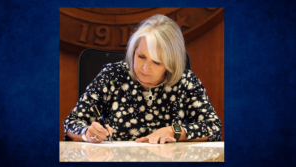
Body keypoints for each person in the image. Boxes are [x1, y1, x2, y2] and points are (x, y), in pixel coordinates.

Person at [63, 14, 222, 144]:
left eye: (157, 62)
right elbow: (71, 123)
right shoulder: (111, 75)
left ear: (170, 63)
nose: (145, 68)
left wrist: (175, 131)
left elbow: (213, 127)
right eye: (141, 56)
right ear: (134, 51)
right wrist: (86, 133)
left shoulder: (186, 80)